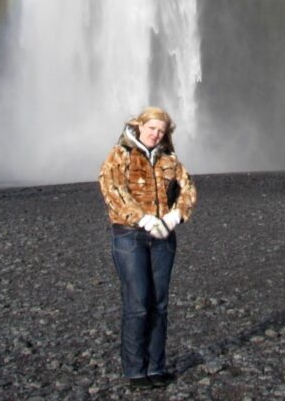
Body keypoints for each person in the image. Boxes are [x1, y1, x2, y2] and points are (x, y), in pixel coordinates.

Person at [98, 106, 197, 389]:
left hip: (163, 237)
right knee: (138, 303)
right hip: (129, 236)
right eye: (152, 128)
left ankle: (156, 366)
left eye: (161, 131)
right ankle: (135, 370)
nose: (156, 134)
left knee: (160, 304)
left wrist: (174, 216)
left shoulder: (169, 159)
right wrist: (142, 219)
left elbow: (188, 188)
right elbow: (111, 189)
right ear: (139, 126)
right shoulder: (120, 154)